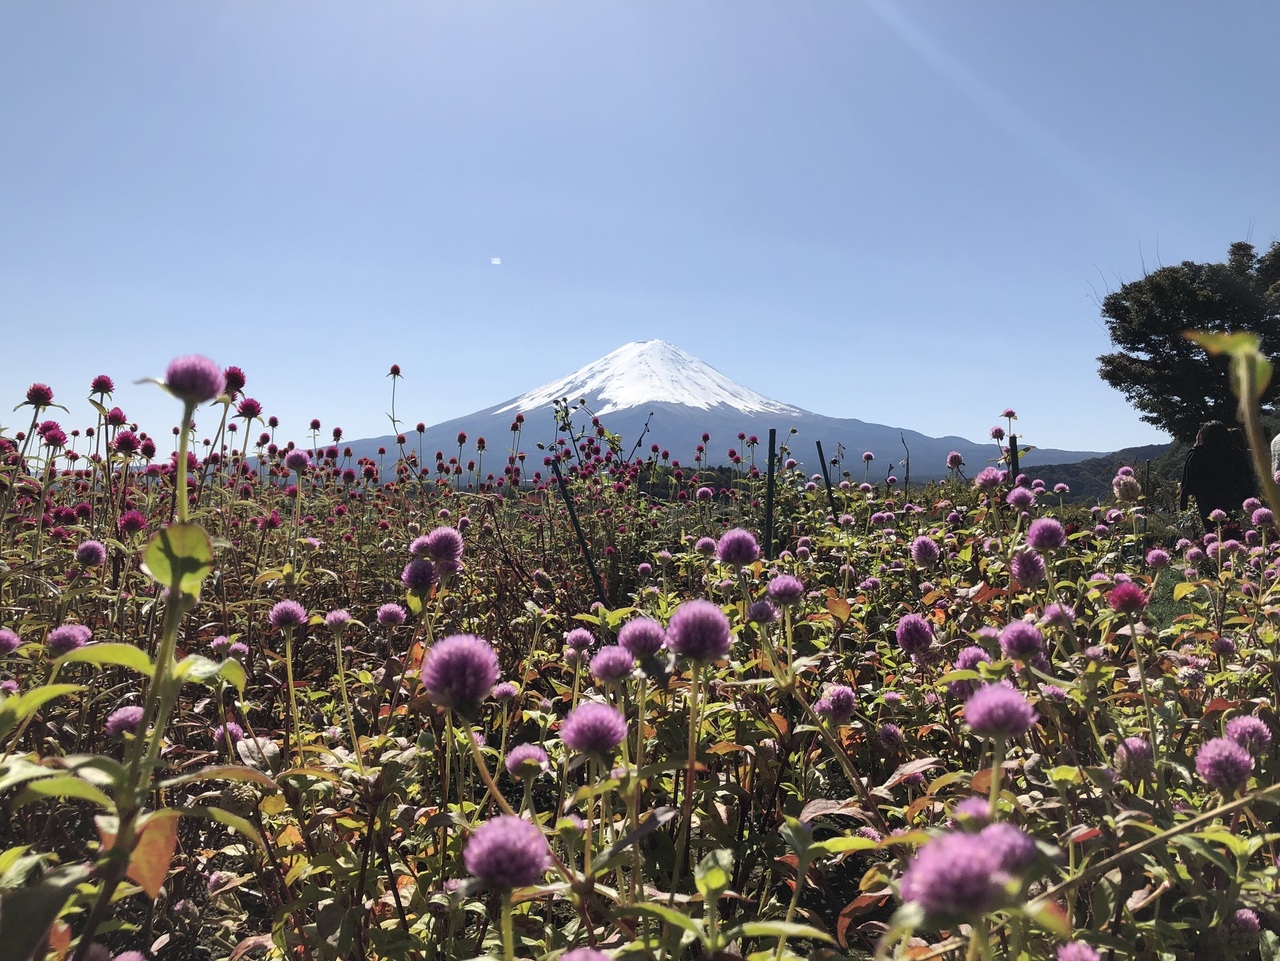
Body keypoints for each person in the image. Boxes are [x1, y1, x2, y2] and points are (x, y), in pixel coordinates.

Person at [1180, 420, 1255, 529]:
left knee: (1212, 530)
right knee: (1232, 528)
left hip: (1206, 499)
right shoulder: (1234, 452)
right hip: (1232, 498)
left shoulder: (1198, 453)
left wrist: (1196, 445)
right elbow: (1246, 476)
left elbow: (1187, 479)